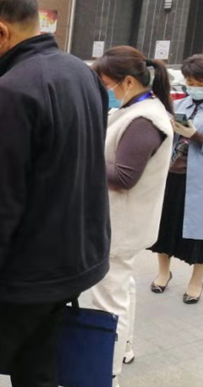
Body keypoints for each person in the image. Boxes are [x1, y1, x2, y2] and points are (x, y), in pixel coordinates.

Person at [0, 0, 110, 387]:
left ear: (0, 31)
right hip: (68, 267)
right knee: (37, 373)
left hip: (17, 279)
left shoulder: (13, 91)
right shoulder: (82, 73)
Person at [90, 47, 174, 387]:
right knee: (121, 290)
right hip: (122, 223)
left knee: (109, 302)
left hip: (120, 226)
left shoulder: (144, 120)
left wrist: (81, 157)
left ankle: (107, 374)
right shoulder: (137, 108)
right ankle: (123, 348)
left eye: (106, 83)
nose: (105, 90)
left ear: (127, 81)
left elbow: (124, 177)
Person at [151, 54, 203, 304]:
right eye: (189, 81)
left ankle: (196, 281)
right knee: (164, 227)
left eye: (198, 82)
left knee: (199, 234)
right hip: (171, 176)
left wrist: (197, 137)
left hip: (199, 183)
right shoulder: (179, 104)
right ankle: (164, 272)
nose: (193, 87)